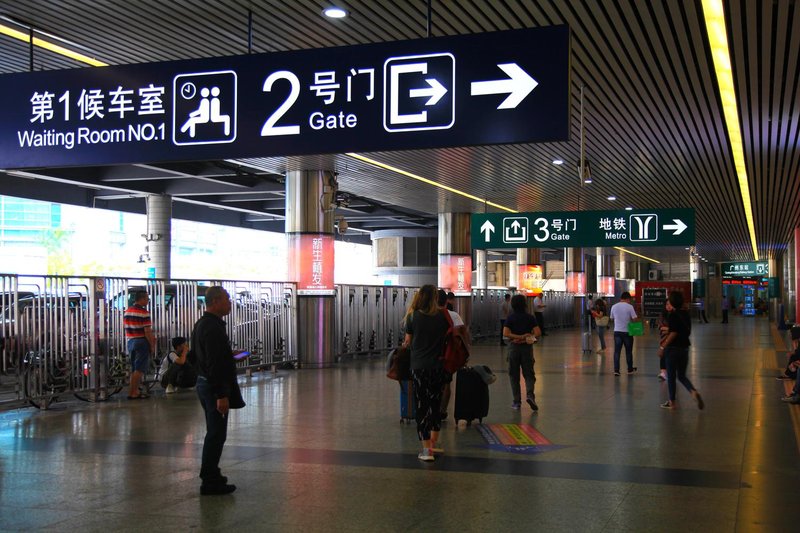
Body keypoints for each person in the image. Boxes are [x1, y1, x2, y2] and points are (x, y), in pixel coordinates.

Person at [192, 286, 244, 495]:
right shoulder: (212, 327)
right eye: (227, 299)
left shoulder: (204, 324)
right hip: (213, 388)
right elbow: (213, 364)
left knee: (215, 433)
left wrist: (229, 354)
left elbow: (202, 357)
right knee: (215, 434)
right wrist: (221, 395)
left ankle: (213, 474)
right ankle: (210, 480)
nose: (230, 303)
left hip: (206, 383)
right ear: (214, 301)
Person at [404, 284, 449, 462]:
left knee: (422, 406)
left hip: (419, 367)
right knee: (436, 404)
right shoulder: (443, 317)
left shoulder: (413, 317)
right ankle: (434, 443)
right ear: (435, 298)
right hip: (438, 367)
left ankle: (426, 450)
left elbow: (407, 342)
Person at [659, 291, 704, 410]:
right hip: (684, 348)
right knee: (682, 375)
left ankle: (672, 402)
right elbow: (683, 330)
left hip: (672, 349)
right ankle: (693, 392)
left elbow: (674, 332)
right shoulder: (686, 314)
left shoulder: (673, 315)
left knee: (671, 376)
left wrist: (663, 347)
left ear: (672, 302)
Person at [503, 294, 541, 412]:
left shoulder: (510, 318)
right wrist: (526, 337)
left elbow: (505, 333)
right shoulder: (530, 317)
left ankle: (516, 402)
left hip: (513, 348)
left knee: (514, 376)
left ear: (513, 305)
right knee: (529, 374)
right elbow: (538, 332)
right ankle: (530, 395)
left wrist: (517, 337)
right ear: (524, 304)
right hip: (526, 349)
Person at [124, 290, 156, 400]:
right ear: (141, 299)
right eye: (147, 299)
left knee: (134, 368)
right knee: (139, 369)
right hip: (141, 342)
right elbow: (147, 331)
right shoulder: (144, 313)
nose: (148, 301)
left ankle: (134, 391)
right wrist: (152, 345)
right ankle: (133, 393)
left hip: (131, 341)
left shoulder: (127, 311)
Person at [439, 290, 465, 420]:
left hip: (432, 355)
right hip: (448, 356)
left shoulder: (428, 316)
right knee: (447, 383)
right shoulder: (454, 315)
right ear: (446, 301)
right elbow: (463, 335)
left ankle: (433, 408)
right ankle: (442, 411)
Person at [609, 291, 639, 376]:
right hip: (627, 332)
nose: (630, 301)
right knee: (628, 352)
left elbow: (611, 319)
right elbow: (635, 319)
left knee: (617, 352)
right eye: (629, 300)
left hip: (617, 332)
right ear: (627, 299)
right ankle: (629, 369)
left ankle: (616, 370)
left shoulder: (614, 306)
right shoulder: (630, 307)